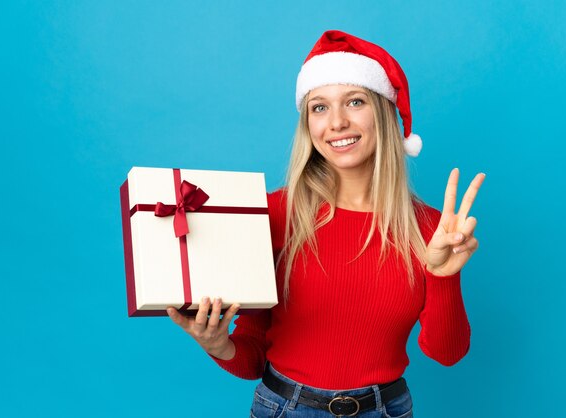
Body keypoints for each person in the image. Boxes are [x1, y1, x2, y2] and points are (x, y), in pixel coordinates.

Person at [167, 30, 485, 417]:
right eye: (319, 107)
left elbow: (447, 353)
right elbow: (252, 359)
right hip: (285, 408)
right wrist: (219, 345)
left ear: (384, 112)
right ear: (308, 125)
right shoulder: (272, 213)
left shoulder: (431, 227)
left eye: (355, 101)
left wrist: (442, 274)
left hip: (385, 410)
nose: (336, 122)